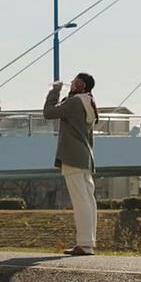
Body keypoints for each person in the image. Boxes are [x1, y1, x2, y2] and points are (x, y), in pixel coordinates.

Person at [43, 72, 98, 256]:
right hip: (85, 157)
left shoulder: (74, 102)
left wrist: (55, 90)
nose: (72, 82)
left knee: (80, 200)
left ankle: (83, 244)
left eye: (75, 80)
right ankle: (88, 242)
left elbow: (49, 112)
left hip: (72, 156)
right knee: (89, 200)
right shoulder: (89, 102)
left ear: (81, 85)